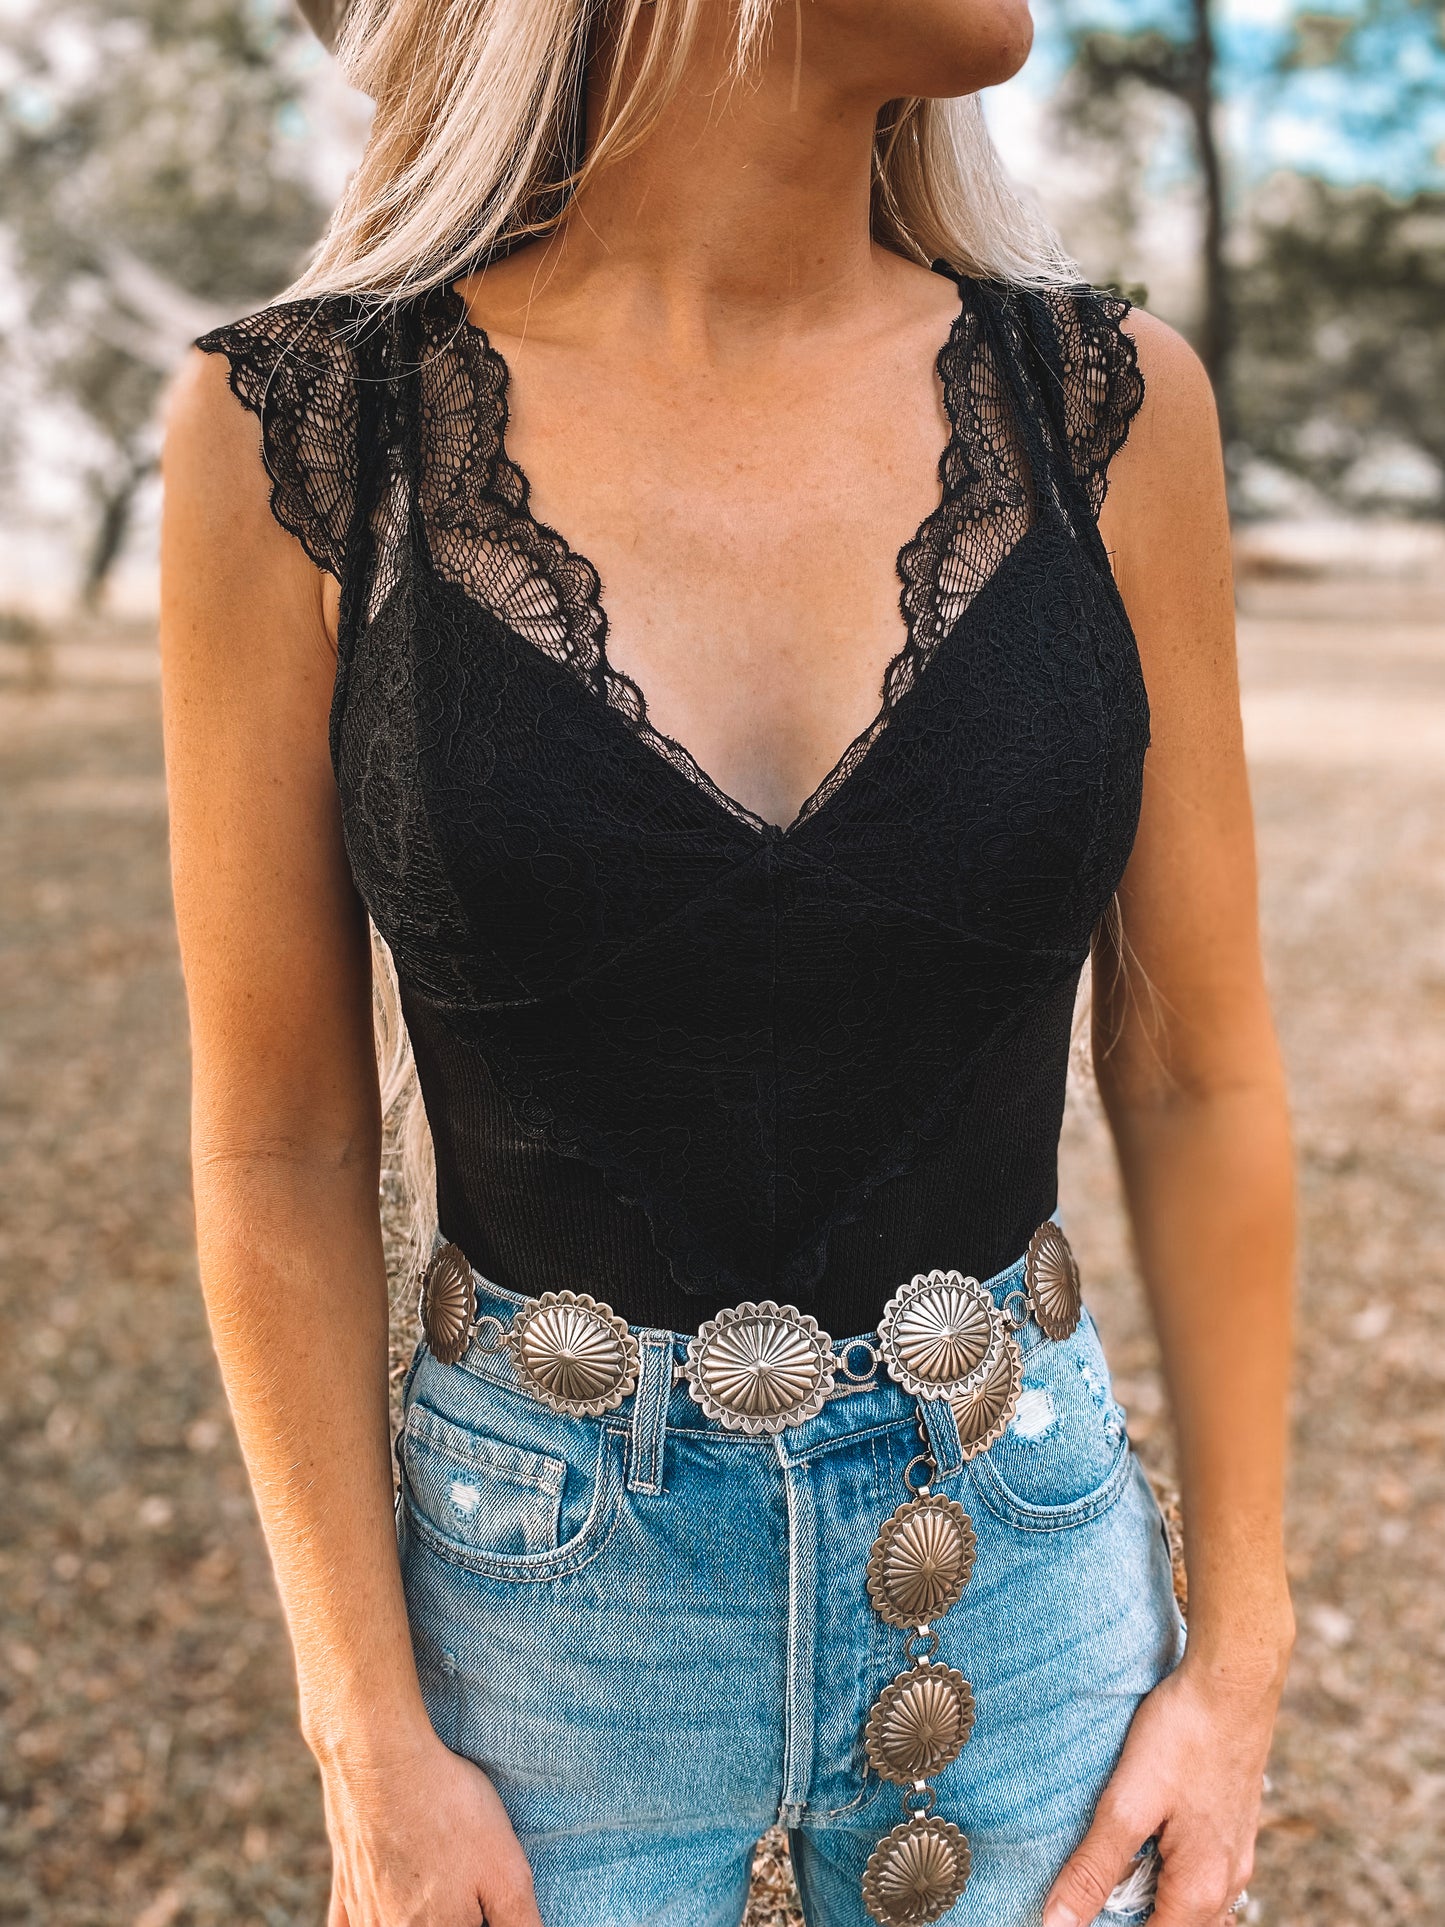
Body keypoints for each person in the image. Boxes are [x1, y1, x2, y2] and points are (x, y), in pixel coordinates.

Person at [158, 2, 1295, 1923]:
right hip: (537, 1639)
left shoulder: (1105, 402)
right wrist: (363, 1734)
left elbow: (1196, 1071)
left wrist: (1240, 1651)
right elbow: (275, 1137)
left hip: (1030, 1590)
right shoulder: (301, 434)